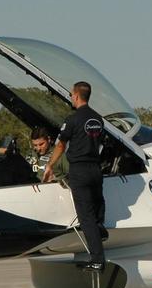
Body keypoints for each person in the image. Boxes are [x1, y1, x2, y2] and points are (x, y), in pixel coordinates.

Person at [43, 81, 106, 270]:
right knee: (97, 208)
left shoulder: (72, 119)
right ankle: (99, 231)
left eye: (71, 95)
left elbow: (61, 145)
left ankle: (97, 260)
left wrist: (49, 165)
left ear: (77, 96)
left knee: (85, 217)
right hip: (96, 169)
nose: (71, 97)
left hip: (79, 171)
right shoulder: (99, 119)